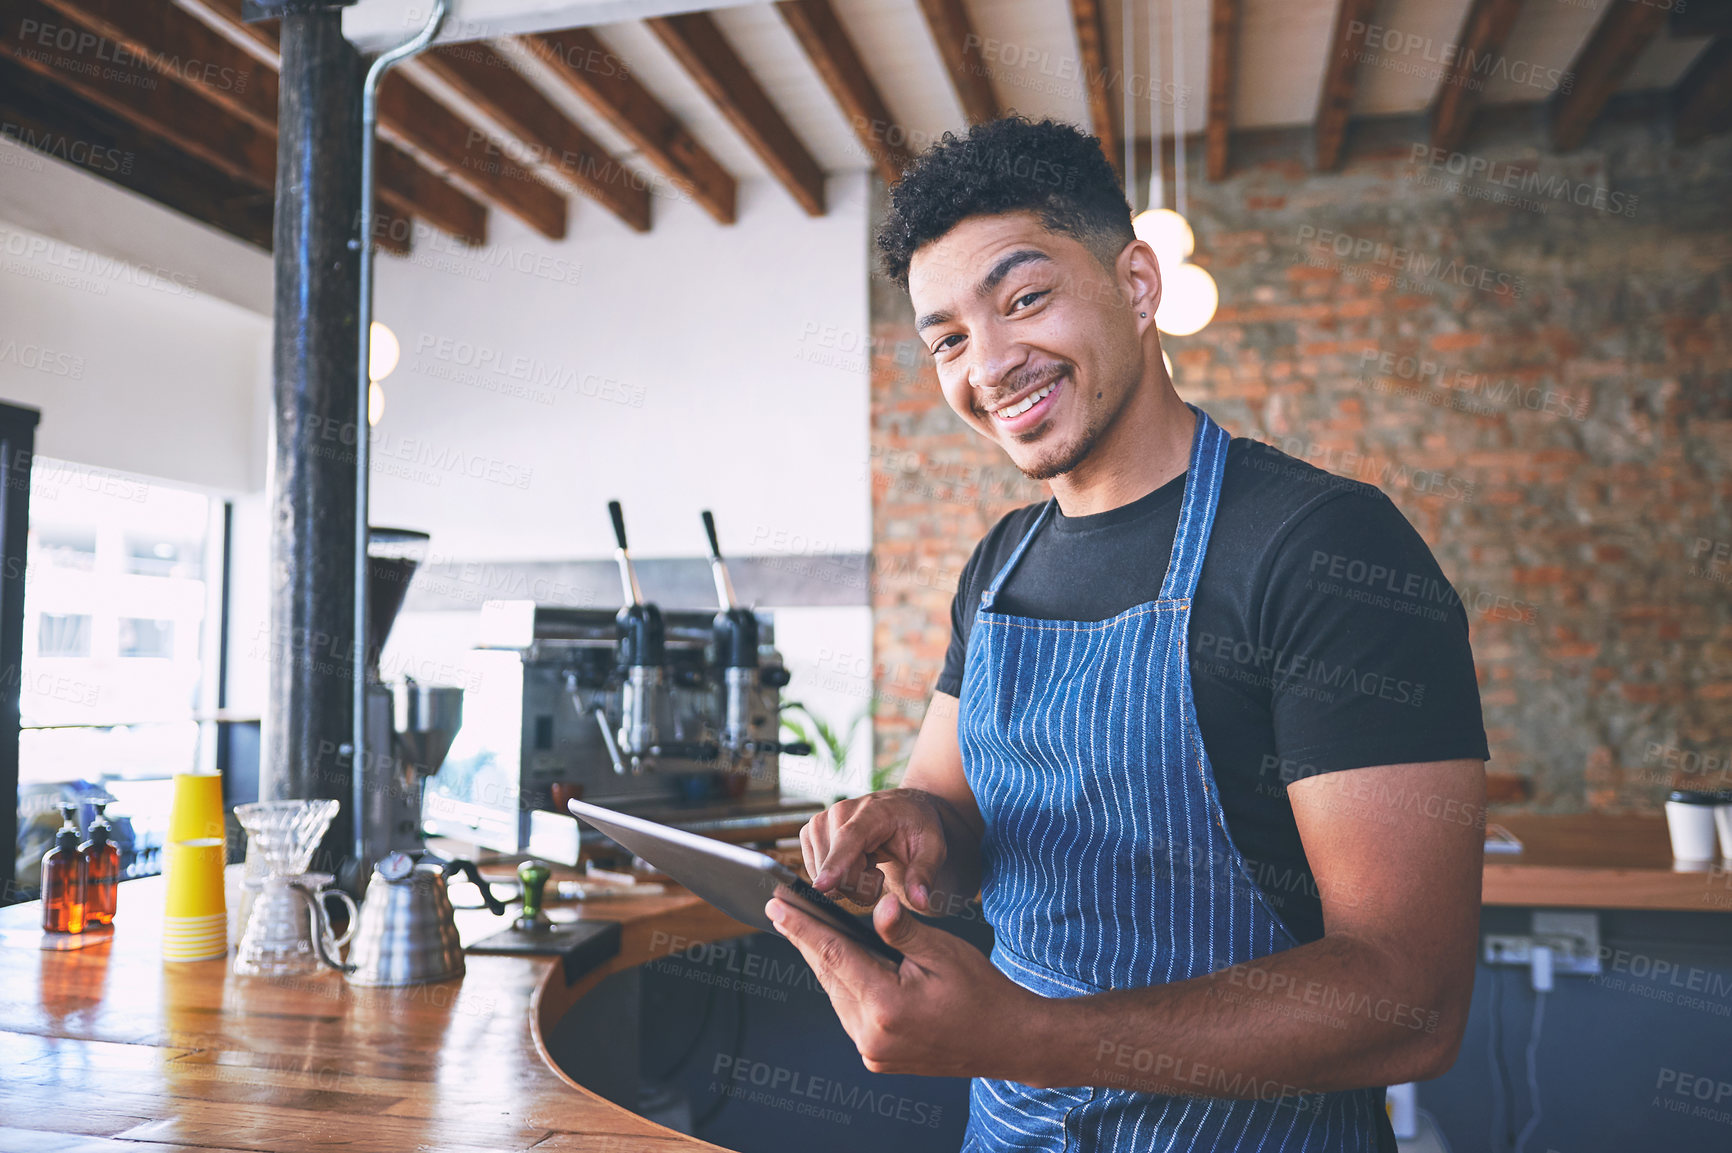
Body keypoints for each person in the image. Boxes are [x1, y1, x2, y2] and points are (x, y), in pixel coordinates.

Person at [767, 115, 1489, 1152]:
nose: (993, 363)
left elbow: (1407, 995)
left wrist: (1031, 1034)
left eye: (1024, 300)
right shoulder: (1000, 566)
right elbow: (951, 825)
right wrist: (916, 827)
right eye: (950, 339)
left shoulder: (1323, 549)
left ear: (1137, 286)